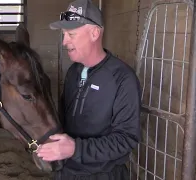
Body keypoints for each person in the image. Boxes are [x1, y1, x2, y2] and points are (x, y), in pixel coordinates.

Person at [36, 0, 142, 179]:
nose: (64, 42)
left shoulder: (122, 78)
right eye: (63, 34)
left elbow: (126, 139)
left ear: (94, 33)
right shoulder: (73, 72)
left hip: (102, 174)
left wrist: (76, 149)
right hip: (66, 172)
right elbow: (63, 120)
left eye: (71, 34)